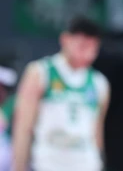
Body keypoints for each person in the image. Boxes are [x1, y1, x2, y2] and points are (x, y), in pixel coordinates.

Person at [13, 17, 110, 171]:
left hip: (86, 164)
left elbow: (97, 132)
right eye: (82, 46)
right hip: (48, 163)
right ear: (65, 40)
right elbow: (23, 127)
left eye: (93, 48)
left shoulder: (100, 83)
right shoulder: (40, 72)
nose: (87, 53)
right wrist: (19, 167)